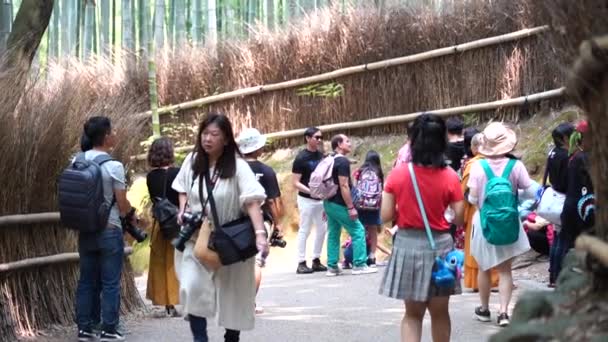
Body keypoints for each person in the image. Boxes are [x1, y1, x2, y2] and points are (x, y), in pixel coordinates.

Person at [172, 113, 267, 342]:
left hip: (230, 238)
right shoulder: (192, 161)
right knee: (192, 287)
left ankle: (231, 337)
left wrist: (260, 234)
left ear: (226, 139)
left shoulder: (238, 166)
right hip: (199, 238)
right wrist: (183, 210)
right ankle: (200, 338)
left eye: (214, 134)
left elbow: (252, 200)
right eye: (204, 133)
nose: (208, 139)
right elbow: (182, 187)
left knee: (235, 293)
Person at [379, 113, 464, 342]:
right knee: (440, 313)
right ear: (442, 141)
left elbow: (386, 215)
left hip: (408, 245)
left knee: (412, 315)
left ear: (413, 140)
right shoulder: (450, 176)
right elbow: (459, 218)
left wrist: (406, 210)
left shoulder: (398, 174)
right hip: (441, 248)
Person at [75, 116, 135, 342]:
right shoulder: (113, 166)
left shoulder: (76, 161)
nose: (115, 134)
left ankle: (84, 328)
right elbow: (122, 204)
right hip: (109, 230)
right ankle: (109, 329)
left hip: (85, 230)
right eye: (113, 131)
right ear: (106, 136)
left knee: (86, 281)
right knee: (110, 282)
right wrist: (132, 214)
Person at [468, 122, 532, 327]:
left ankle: (484, 310)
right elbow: (529, 190)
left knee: (484, 268)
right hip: (509, 221)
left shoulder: (478, 166)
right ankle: (504, 313)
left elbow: (472, 198)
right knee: (505, 271)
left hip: (484, 222)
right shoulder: (516, 166)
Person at [236, 128, 285, 315]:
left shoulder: (233, 169)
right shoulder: (266, 171)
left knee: (237, 262)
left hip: (235, 220)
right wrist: (278, 224)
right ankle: (249, 303)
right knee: (255, 263)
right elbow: (272, 201)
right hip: (260, 221)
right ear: (257, 149)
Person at [324, 134, 377, 276]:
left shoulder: (330, 159)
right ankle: (359, 264)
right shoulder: (342, 162)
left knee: (334, 233)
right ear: (339, 145)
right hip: (340, 203)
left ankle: (332, 266)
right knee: (358, 230)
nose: (350, 143)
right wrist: (350, 207)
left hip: (328, 202)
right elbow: (344, 185)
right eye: (347, 141)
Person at [551, 120, 595, 287]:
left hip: (570, 207)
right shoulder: (587, 158)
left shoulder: (574, 156)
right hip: (584, 210)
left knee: (568, 244)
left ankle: (562, 279)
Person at [145, 137, 180, 317]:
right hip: (178, 222)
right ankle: (178, 300)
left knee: (161, 263)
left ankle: (167, 302)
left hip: (161, 224)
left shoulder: (150, 177)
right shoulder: (178, 173)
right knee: (178, 262)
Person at [461, 131, 499, 291]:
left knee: (476, 246)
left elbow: (465, 192)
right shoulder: (498, 162)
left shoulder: (472, 165)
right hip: (496, 208)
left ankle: (477, 282)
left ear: (475, 148)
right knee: (494, 245)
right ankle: (496, 279)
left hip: (475, 210)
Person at [292, 127, 327, 274]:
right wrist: (311, 191)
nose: (319, 140)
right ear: (307, 138)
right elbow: (295, 182)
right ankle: (301, 262)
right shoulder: (301, 158)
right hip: (306, 199)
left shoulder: (321, 156)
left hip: (321, 199)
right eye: (316, 137)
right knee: (305, 229)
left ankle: (316, 260)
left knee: (322, 228)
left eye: (321, 138)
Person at [544, 122, 575, 287]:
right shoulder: (566, 156)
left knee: (557, 238)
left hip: (554, 198)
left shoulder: (553, 153)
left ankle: (553, 275)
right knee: (563, 240)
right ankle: (557, 277)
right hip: (563, 200)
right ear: (564, 138)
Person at [352, 150, 384, 266]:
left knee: (359, 230)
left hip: (361, 205)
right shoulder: (378, 171)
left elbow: (355, 189)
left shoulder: (359, 171)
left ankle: (359, 256)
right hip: (374, 206)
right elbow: (381, 190)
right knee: (373, 231)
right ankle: (372, 256)